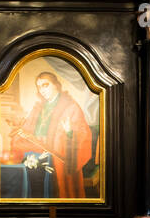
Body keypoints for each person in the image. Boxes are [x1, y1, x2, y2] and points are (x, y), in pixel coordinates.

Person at [6, 71, 93, 199]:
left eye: (45, 85)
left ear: (56, 85)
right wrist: (21, 133)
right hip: (34, 153)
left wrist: (69, 132)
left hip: (57, 159)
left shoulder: (70, 107)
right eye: (39, 86)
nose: (41, 90)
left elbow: (83, 135)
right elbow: (27, 129)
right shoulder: (38, 108)